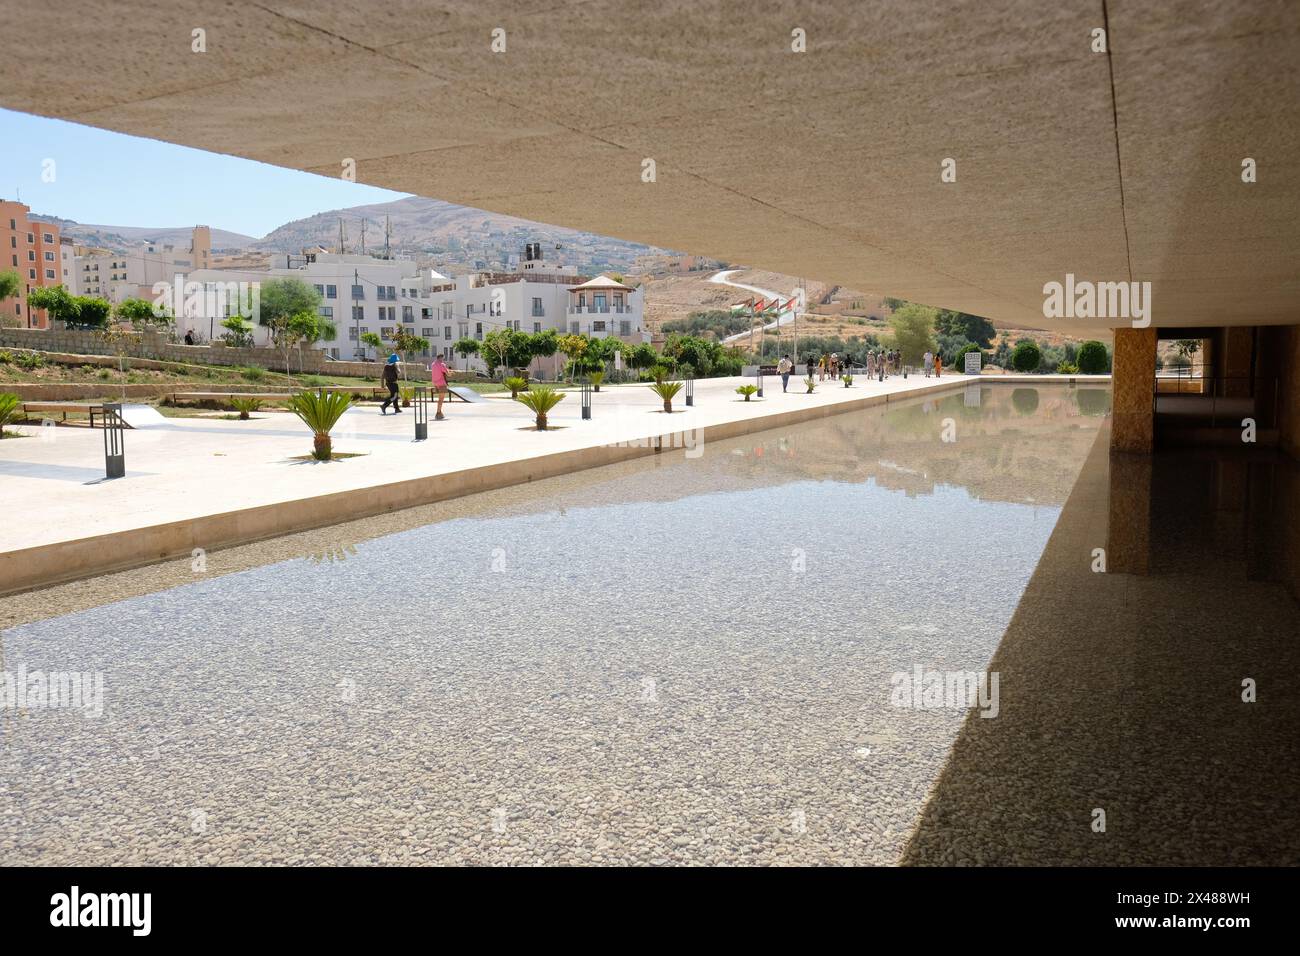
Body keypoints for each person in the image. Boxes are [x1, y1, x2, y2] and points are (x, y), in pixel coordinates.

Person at [430, 354, 450, 419]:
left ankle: (440, 413)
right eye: (443, 358)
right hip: (441, 383)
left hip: (435, 383)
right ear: (441, 357)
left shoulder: (433, 364)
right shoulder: (442, 364)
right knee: (441, 400)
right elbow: (448, 374)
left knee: (440, 399)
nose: (443, 360)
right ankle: (438, 413)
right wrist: (451, 372)